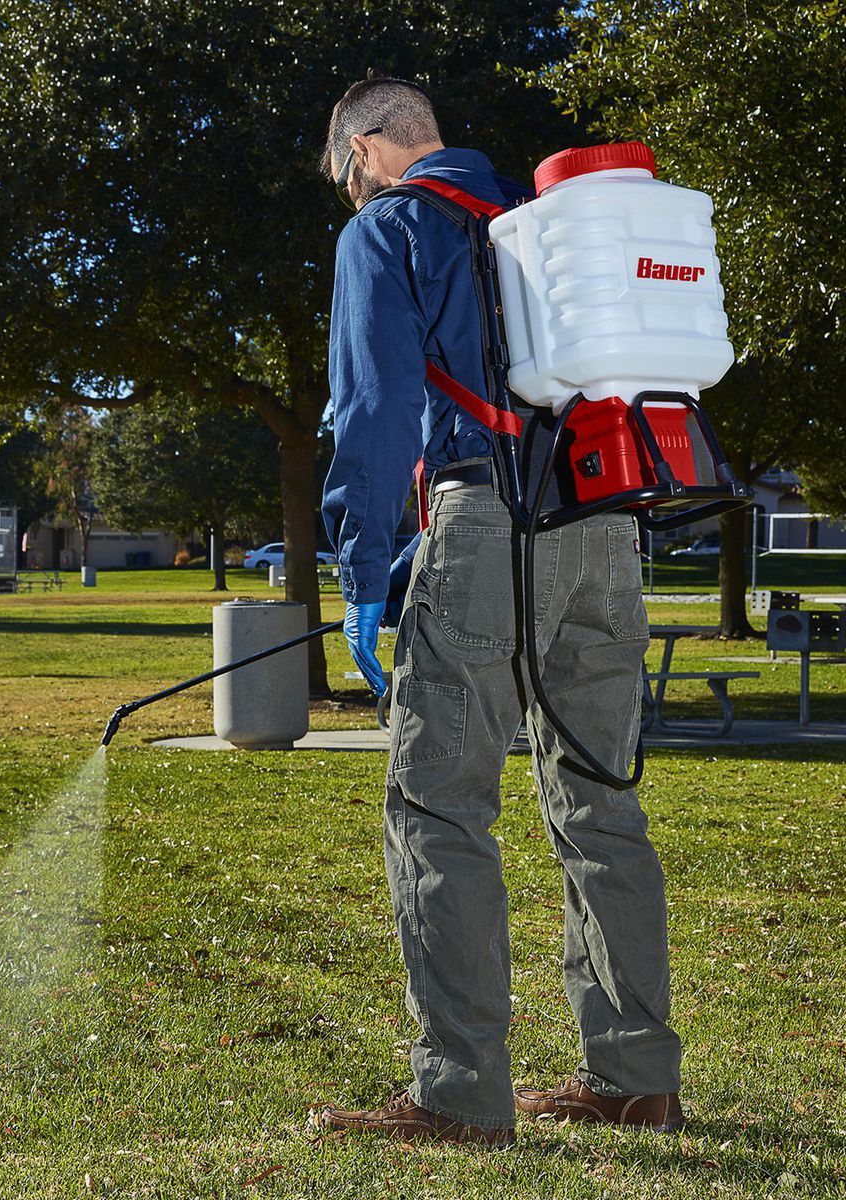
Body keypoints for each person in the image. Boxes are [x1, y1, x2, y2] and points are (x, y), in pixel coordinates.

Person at [309, 75, 684, 1148]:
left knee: (438, 807)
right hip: (606, 529)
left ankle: (457, 1093)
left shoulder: (391, 228)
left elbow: (375, 410)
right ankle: (634, 1079)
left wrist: (364, 569)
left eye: (344, 173)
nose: (349, 193)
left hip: (491, 523)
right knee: (600, 803)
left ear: (373, 144)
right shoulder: (542, 226)